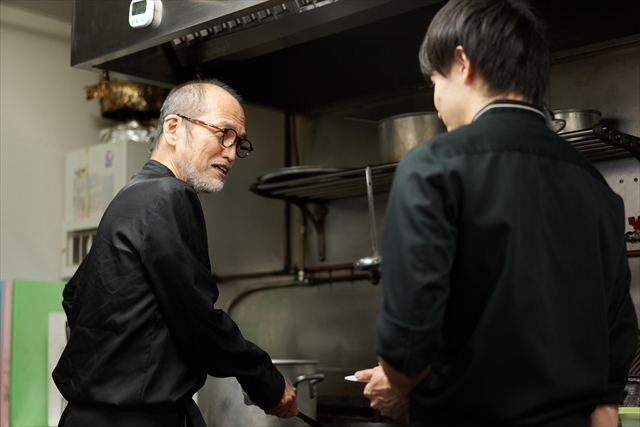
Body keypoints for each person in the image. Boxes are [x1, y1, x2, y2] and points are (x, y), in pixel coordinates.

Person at [354, 1, 638, 426]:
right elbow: (617, 331)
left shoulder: (432, 166)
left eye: (435, 81)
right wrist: (605, 405)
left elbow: (408, 340)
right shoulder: (594, 185)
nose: (436, 101)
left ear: (462, 62)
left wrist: (396, 382)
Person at [53, 79, 298, 427]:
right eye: (224, 134)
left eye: (239, 143)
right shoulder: (171, 195)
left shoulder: (132, 195)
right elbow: (197, 317)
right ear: (173, 127)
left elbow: (74, 295)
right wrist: (266, 382)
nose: (231, 153)